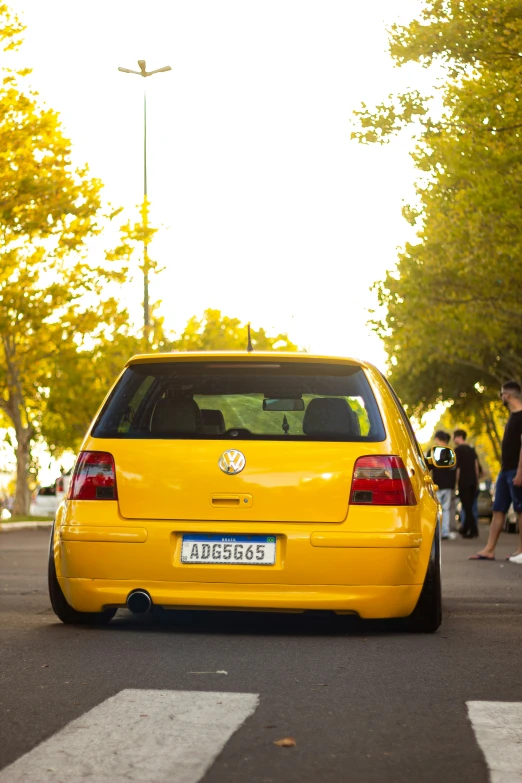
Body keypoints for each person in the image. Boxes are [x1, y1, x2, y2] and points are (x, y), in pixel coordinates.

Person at [470, 381, 522, 562]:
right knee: (498, 509)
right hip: (505, 471)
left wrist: (520, 472)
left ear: (507, 395)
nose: (500, 397)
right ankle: (489, 550)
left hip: (517, 470)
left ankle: (521, 551)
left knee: (520, 510)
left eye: (501, 394)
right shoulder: (512, 417)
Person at [426, 430, 457, 540]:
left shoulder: (432, 451)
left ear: (438, 439)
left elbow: (427, 468)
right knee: (446, 509)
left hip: (437, 484)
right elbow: (454, 469)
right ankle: (445, 532)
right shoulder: (451, 452)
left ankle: (435, 533)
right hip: (448, 485)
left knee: (435, 509)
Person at [453, 429, 479, 538]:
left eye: (454, 437)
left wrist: (457, 483)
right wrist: (476, 480)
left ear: (459, 437)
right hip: (473, 481)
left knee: (466, 507)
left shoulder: (457, 450)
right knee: (469, 506)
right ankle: (466, 529)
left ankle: (473, 530)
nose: (454, 439)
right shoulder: (471, 449)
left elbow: (457, 468)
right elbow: (476, 465)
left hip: (464, 482)